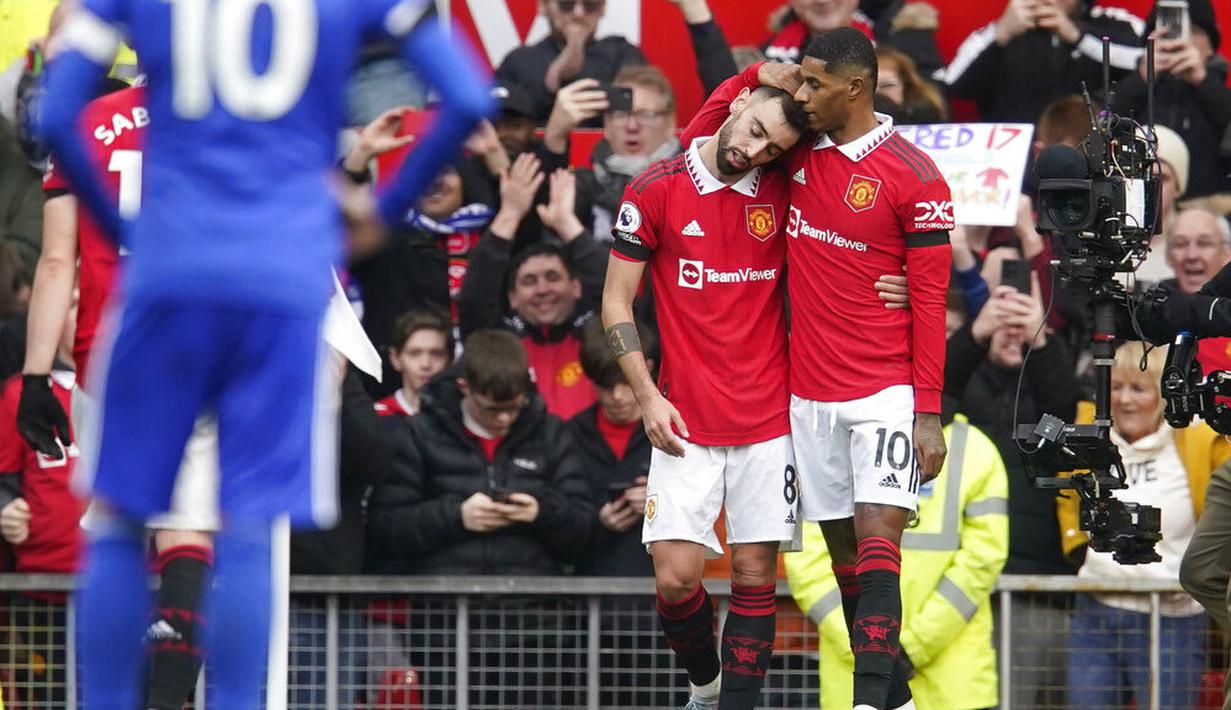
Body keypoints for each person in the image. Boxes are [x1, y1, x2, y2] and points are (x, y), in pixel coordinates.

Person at [36, 2, 493, 708]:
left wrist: (121, 227)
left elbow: (54, 111)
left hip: (169, 273)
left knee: (123, 522)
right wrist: (382, 212)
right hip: (280, 284)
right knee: (248, 524)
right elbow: (465, 96)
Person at [683, 28, 955, 710]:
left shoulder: (916, 176)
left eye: (813, 83)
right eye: (798, 79)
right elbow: (704, 137)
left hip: (884, 391)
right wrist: (754, 71)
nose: (800, 94)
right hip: (806, 395)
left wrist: (927, 413)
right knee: (845, 564)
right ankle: (896, 701)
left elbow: (930, 300)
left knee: (878, 540)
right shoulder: (795, 151)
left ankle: (865, 703)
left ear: (854, 88)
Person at [603, 79, 812, 708]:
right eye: (755, 131)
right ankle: (706, 685)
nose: (755, 151)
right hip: (683, 416)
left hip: (768, 417)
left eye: (773, 149)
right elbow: (615, 302)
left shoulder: (783, 187)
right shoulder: (655, 188)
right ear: (737, 106)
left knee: (754, 575)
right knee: (675, 578)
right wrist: (647, 398)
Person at [367, 329, 595, 707]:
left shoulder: (551, 433)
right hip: (445, 631)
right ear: (464, 387)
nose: (504, 418)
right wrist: (456, 516)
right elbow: (386, 526)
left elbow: (585, 528)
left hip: (535, 633)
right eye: (491, 408)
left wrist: (541, 513)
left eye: (514, 406)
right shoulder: (419, 434)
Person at [784, 412, 1009, 710]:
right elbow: (806, 566)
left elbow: (984, 557)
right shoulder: (975, 448)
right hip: (950, 682)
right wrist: (898, 647)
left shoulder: (975, 450)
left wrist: (875, 645)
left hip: (893, 681)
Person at [1059, 342, 1229, 708]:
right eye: (1115, 388)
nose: (1124, 400)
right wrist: (1078, 550)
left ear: (1163, 395)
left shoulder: (1201, 440)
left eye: (1138, 388)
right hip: (1096, 608)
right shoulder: (1089, 438)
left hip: (1173, 616)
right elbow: (1067, 498)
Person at [945, 281, 1081, 709]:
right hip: (961, 582)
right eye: (1001, 323)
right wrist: (974, 332)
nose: (1011, 332)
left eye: (1020, 323)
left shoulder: (1047, 392)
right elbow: (937, 391)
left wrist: (1038, 339)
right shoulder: (967, 389)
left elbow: (1063, 408)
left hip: (1035, 581)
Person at [457, 156, 610, 419]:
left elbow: (618, 291)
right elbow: (474, 300)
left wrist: (566, 224)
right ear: (512, 298)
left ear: (576, 287)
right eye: (529, 281)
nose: (542, 289)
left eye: (552, 277)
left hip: (588, 443)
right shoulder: (500, 341)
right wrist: (510, 214)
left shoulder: (598, 333)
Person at [0, 293, 80, 707]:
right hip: (43, 587)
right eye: (72, 303)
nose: (84, 313)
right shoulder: (20, 394)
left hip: (130, 583)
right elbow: (4, 478)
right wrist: (4, 509)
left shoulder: (142, 388)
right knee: (49, 699)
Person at [945, 0, 1144, 123]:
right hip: (1016, 160)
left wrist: (1077, 36)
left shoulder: (1115, 23)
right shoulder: (1001, 31)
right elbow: (954, 83)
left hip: (1094, 155)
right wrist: (1001, 33)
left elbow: (1146, 61)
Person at [543, 65, 682, 239]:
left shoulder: (691, 184)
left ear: (670, 124)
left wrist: (574, 235)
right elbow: (546, 229)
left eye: (645, 115)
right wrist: (554, 139)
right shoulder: (584, 184)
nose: (632, 126)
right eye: (620, 115)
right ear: (606, 126)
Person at [1111, 0, 1230, 198]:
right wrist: (1142, 79)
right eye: (1167, 31)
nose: (1180, 40)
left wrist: (1204, 81)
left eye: (1193, 30)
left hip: (1205, 210)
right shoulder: (1127, 87)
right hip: (1137, 205)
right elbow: (1103, 127)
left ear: (1210, 46)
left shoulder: (1219, 95)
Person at [495, 0, 646, 125]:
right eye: (566, 5)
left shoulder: (621, 54)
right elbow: (505, 120)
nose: (578, 14)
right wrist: (554, 77)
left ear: (603, 8)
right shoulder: (519, 61)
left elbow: (640, 106)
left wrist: (576, 54)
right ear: (543, 6)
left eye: (590, 5)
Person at [375, 308, 452, 419]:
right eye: (415, 353)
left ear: (450, 359)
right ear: (396, 359)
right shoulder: (375, 418)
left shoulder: (464, 416)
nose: (426, 364)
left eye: (436, 354)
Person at [874, 44, 946, 124]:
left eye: (886, 85)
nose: (876, 93)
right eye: (867, 88)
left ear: (906, 85)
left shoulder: (926, 116)